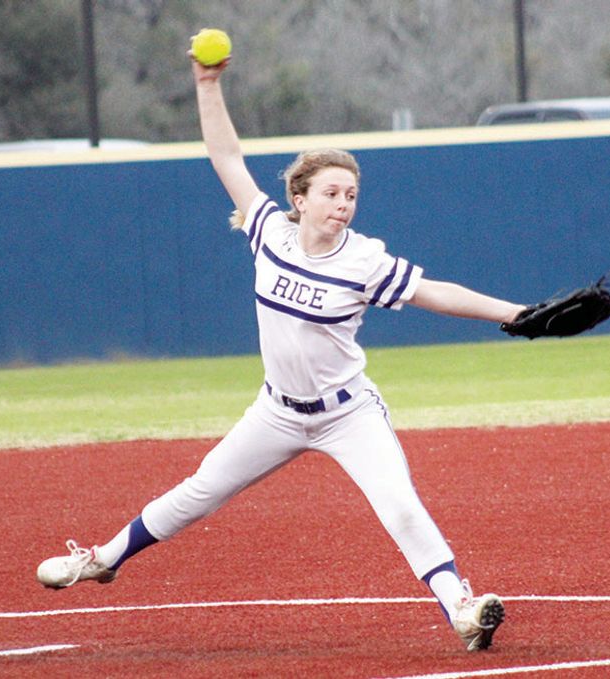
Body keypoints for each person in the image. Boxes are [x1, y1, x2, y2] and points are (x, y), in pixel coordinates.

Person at [36, 49, 528, 652]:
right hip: (277, 411)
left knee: (398, 504)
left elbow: (435, 292)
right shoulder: (269, 231)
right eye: (331, 193)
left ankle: (462, 607)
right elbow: (225, 155)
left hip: (348, 412)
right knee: (199, 492)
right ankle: (103, 558)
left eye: (351, 194)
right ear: (300, 198)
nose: (343, 204)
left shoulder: (364, 260)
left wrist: (516, 314)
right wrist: (206, 83)